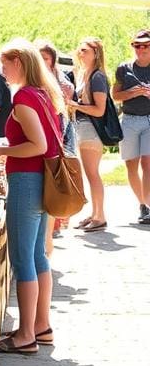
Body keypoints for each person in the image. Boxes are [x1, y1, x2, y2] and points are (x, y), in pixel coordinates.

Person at [0, 39, 63, 355]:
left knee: (22, 258)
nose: (2, 71)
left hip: (27, 181)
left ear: (19, 62)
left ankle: (25, 335)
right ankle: (41, 326)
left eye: (5, 64)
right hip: (41, 181)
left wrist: (0, 150)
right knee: (39, 255)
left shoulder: (24, 98)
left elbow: (38, 145)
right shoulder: (44, 95)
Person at [35, 39, 77, 245]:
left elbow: (65, 102)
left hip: (59, 134)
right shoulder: (33, 80)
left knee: (58, 177)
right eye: (39, 58)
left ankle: (59, 218)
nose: (42, 63)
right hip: (44, 135)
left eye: (45, 59)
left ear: (53, 61)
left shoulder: (60, 81)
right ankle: (52, 224)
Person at [67, 37, 110, 233]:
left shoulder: (98, 77)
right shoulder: (85, 74)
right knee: (90, 174)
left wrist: (75, 105)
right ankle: (95, 214)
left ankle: (100, 216)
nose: (80, 53)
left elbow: (99, 110)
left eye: (85, 50)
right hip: (83, 128)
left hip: (91, 130)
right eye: (80, 49)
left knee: (93, 174)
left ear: (96, 53)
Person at [111, 29, 150, 224]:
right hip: (129, 120)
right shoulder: (123, 68)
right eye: (137, 45)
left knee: (148, 163)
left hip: (149, 120)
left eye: (145, 45)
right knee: (131, 165)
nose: (141, 48)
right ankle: (142, 204)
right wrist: (133, 93)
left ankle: (149, 206)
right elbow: (115, 95)